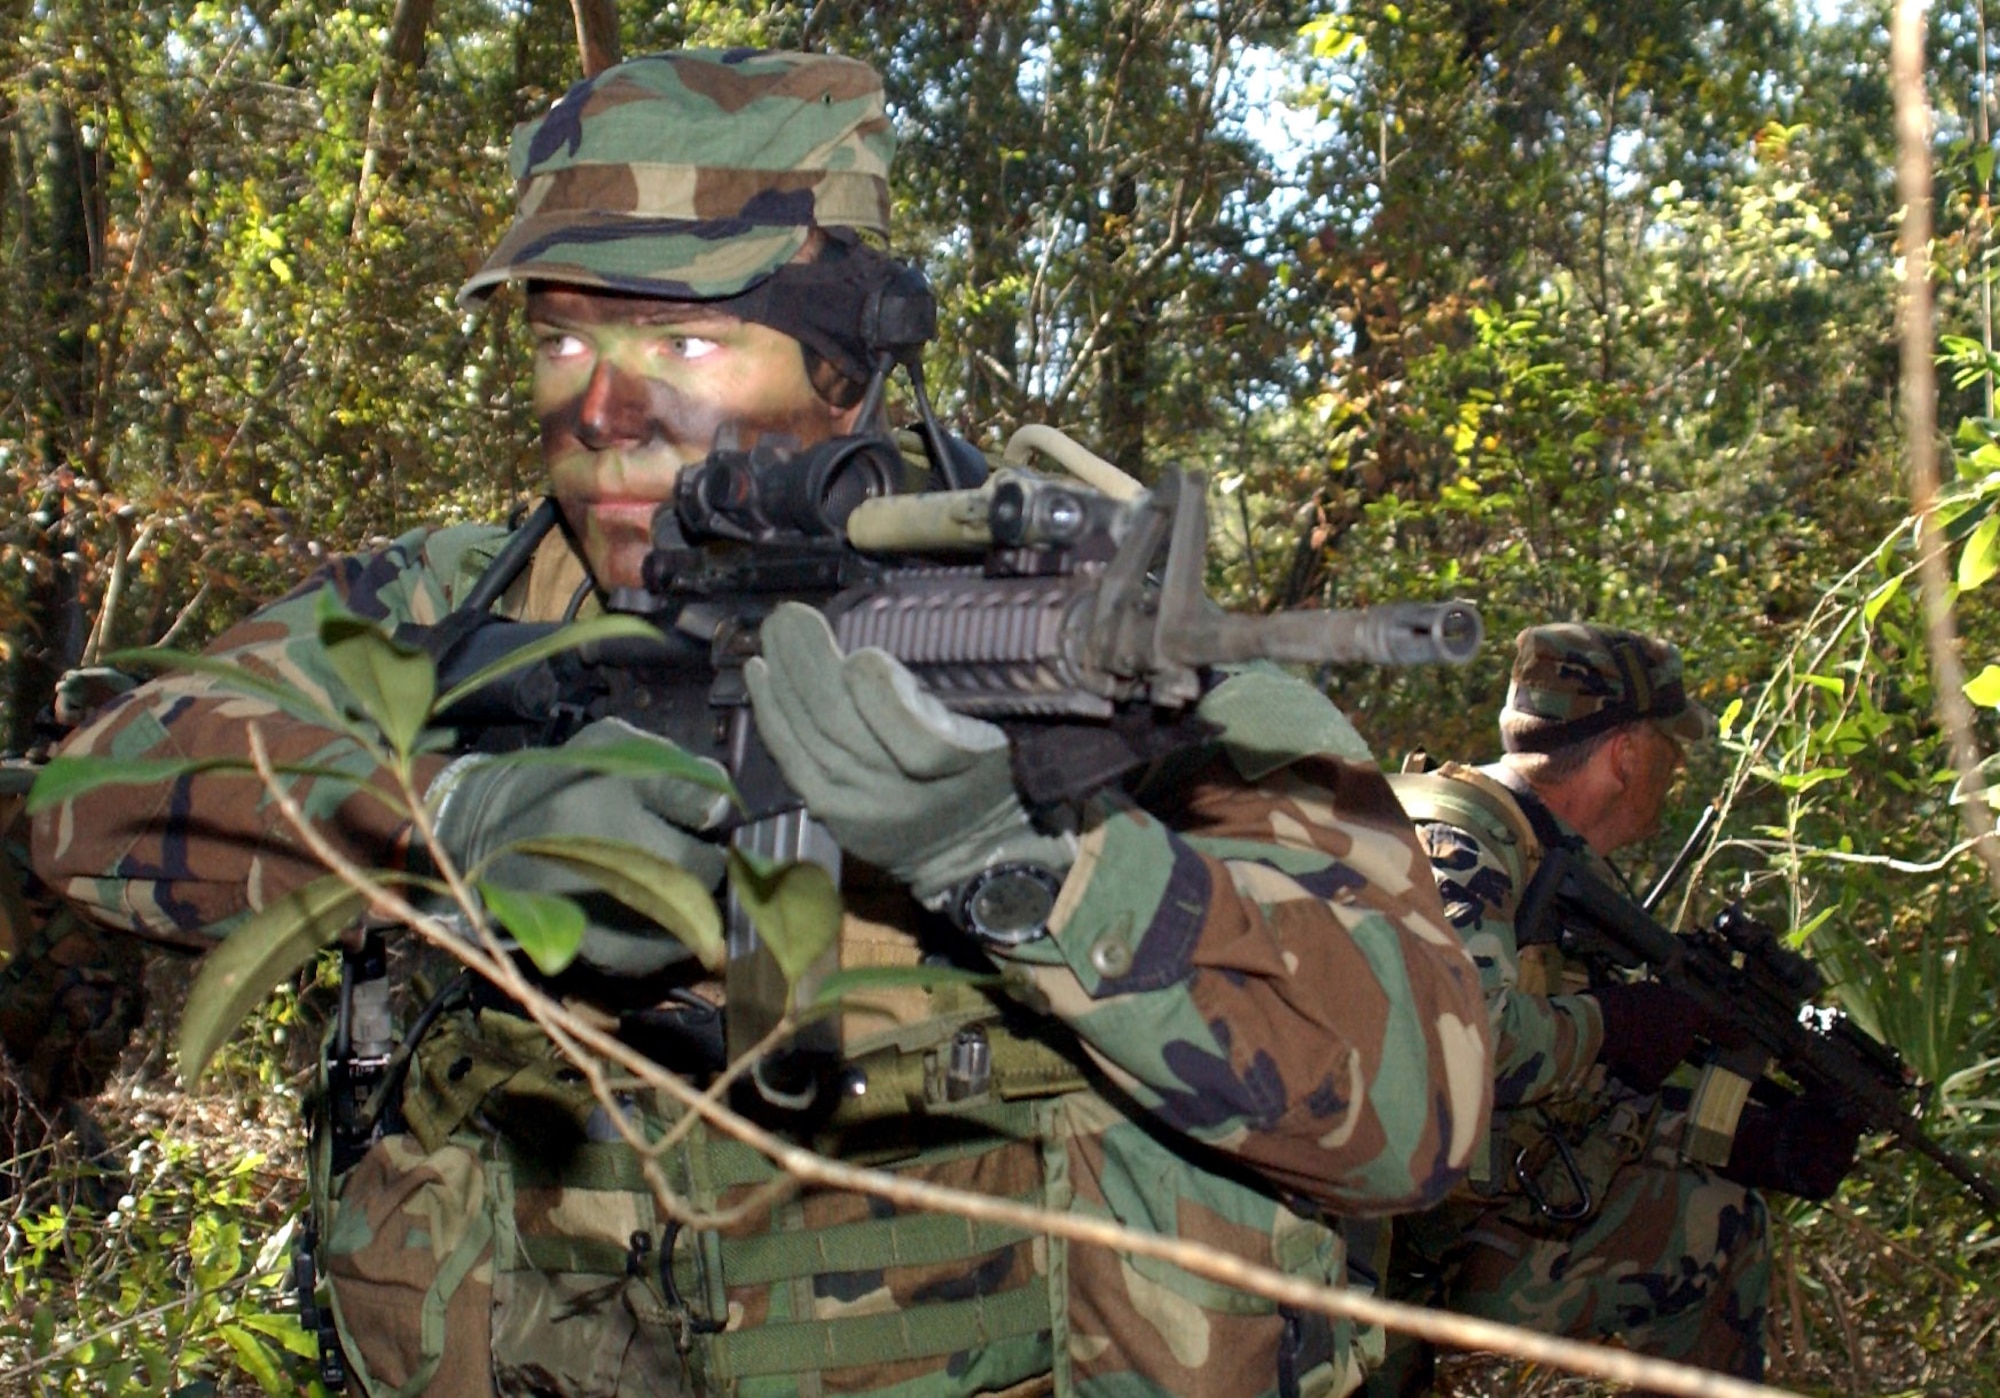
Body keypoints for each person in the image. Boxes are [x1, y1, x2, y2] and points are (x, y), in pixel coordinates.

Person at [32, 50, 1491, 1398]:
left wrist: (1029, 863)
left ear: (847, 359)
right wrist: (448, 825)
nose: (603, 409)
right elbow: (94, 791)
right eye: (562, 341)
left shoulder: (1105, 667)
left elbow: (1422, 1111)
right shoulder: (445, 606)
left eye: (685, 344)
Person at [1371, 623, 1861, 1392]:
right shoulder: (1461, 844)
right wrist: (1618, 1023)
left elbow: (1574, 1083)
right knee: (1714, 1231)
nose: (1674, 770)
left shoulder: (1532, 851)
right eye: (1671, 747)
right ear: (1626, 752)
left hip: (1416, 1209)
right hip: (1368, 1245)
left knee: (1714, 1193)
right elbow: (1470, 1045)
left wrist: (1748, 1135)